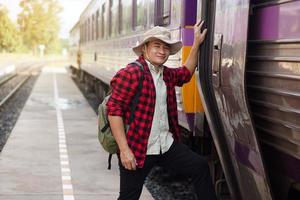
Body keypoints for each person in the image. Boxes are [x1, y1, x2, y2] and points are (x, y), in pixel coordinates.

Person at [106, 20, 216, 200]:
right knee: (128, 197)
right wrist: (124, 150)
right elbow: (114, 111)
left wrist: (196, 43)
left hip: (165, 146)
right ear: (144, 48)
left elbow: (186, 73)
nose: (162, 51)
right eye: (157, 46)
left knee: (200, 166)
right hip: (138, 149)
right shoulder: (131, 73)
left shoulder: (165, 73)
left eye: (166, 47)